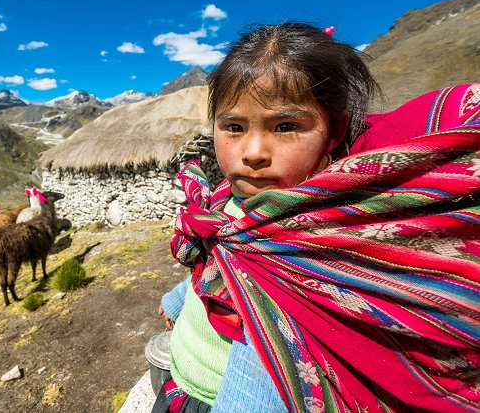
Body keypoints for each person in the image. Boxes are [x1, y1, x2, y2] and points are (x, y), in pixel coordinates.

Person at [153, 22, 480, 413]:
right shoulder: (229, 199)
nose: (253, 152)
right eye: (234, 127)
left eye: (286, 126)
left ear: (333, 129)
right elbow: (220, 256)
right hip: (180, 383)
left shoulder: (316, 238)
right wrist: (176, 301)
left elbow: (269, 368)